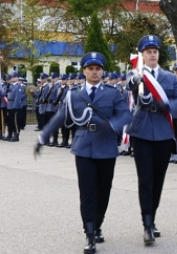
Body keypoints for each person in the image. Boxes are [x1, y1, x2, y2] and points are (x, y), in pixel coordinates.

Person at [34, 52, 132, 254]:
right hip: (84, 146)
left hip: (106, 146)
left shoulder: (113, 93)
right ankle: (89, 234)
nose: (94, 72)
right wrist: (43, 138)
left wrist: (114, 126)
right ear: (84, 71)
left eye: (98, 69)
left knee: (103, 191)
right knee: (87, 192)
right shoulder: (74, 94)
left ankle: (97, 225)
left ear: (102, 71)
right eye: (91, 68)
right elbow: (60, 117)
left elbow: (125, 114)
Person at [126, 35, 177, 245]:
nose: (152, 54)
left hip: (162, 132)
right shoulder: (135, 73)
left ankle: (153, 218)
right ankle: (147, 224)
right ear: (142, 55)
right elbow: (128, 86)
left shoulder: (169, 78)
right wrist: (134, 82)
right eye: (148, 52)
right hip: (141, 131)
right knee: (145, 180)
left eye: (155, 51)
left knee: (158, 180)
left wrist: (166, 106)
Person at [5, 72, 23, 142]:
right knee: (10, 121)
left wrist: (15, 106)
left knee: (15, 121)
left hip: (14, 106)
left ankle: (16, 135)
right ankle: (10, 134)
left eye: (14, 77)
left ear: (17, 78)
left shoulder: (18, 86)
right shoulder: (11, 86)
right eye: (12, 77)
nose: (12, 78)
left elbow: (18, 98)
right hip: (10, 105)